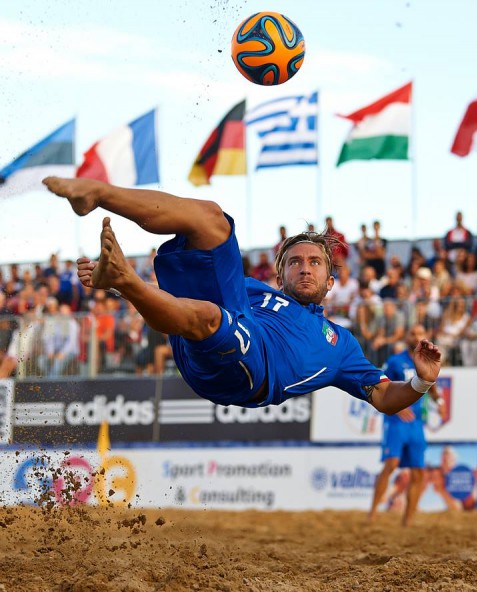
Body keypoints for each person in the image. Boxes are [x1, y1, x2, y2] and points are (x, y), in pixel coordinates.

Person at [43, 177, 441, 414]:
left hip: (253, 373)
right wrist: (110, 284)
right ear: (279, 274)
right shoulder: (255, 290)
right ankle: (96, 193)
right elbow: (175, 305)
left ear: (330, 281)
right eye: (295, 261)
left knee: (213, 318)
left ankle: (128, 279)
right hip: (211, 335)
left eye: (316, 262)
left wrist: (421, 382)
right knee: (213, 220)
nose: (305, 267)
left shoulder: (341, 343)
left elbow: (385, 397)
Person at [368, 324, 444, 527]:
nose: (417, 336)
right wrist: (398, 406)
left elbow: (432, 385)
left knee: (418, 471)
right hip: (396, 421)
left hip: (417, 423)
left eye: (421, 333)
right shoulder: (395, 360)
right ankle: (372, 513)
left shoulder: (428, 360)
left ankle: (407, 520)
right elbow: (382, 386)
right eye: (414, 333)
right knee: (391, 464)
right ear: (408, 337)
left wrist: (440, 402)